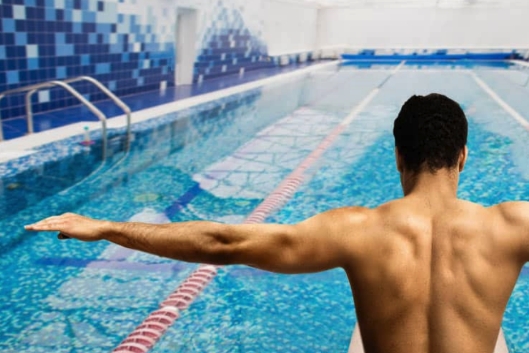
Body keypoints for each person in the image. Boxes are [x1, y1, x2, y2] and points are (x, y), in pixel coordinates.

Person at [25, 94, 529, 353]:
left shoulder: (360, 230)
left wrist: (107, 226)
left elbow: (224, 241)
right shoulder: (511, 225)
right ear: (463, 157)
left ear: (397, 156)